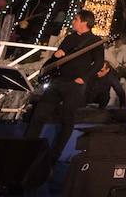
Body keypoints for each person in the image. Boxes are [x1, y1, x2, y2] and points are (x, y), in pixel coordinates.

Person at [24, 10, 104, 164]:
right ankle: (27, 149)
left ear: (84, 22)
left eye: (76, 19)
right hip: (58, 81)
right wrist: (57, 55)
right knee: (39, 114)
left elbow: (99, 63)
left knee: (67, 120)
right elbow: (57, 59)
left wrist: (84, 78)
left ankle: (54, 156)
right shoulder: (69, 37)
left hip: (75, 85)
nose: (73, 21)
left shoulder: (95, 41)